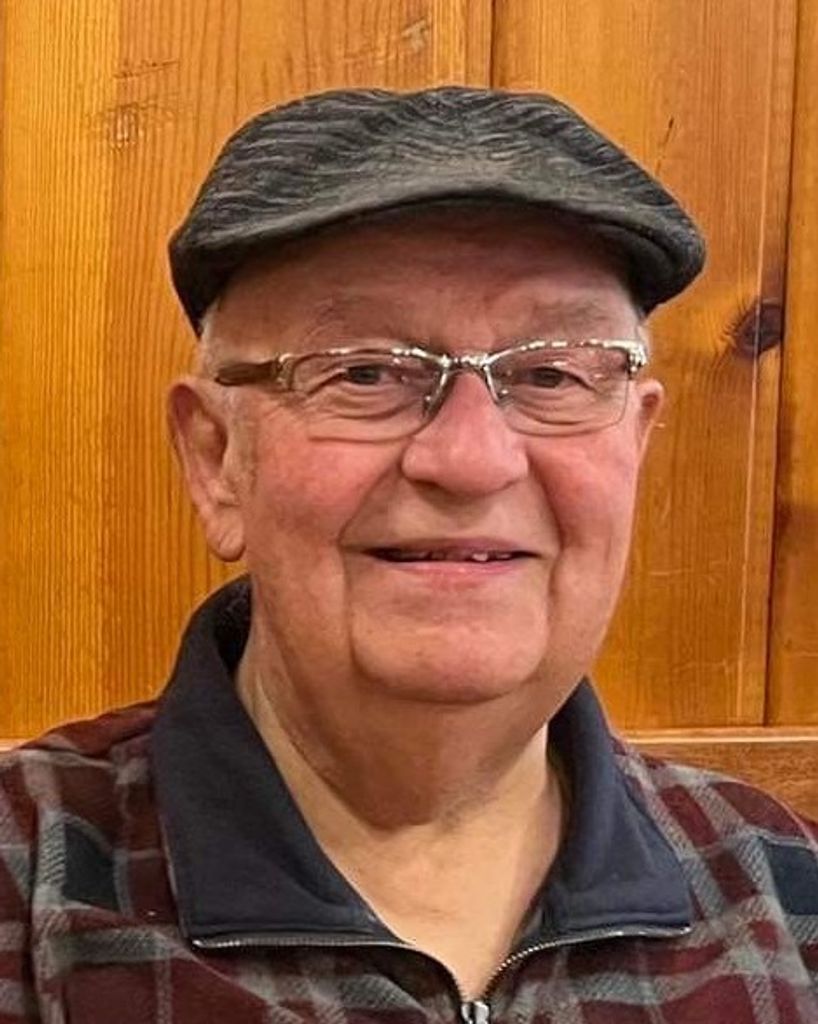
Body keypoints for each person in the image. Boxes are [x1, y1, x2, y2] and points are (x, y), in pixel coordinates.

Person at [1, 87, 816, 1024]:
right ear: (216, 461)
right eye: (365, 372)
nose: (471, 459)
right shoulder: (26, 889)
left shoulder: (787, 902)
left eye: (551, 374)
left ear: (635, 443)